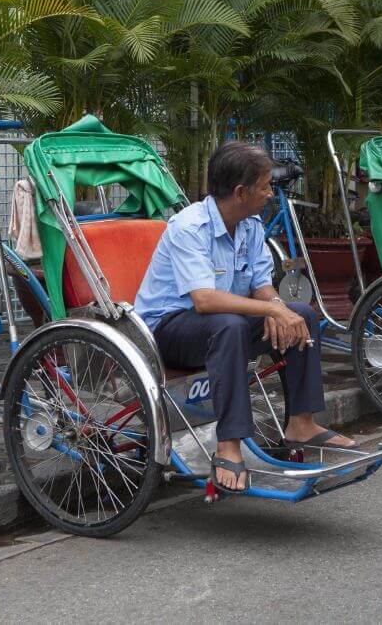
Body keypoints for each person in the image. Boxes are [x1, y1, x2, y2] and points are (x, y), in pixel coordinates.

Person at [134, 141, 356, 494]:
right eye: (265, 186)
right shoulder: (188, 227)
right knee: (232, 323)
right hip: (169, 330)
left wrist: (276, 306)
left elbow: (261, 285)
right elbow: (204, 300)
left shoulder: (250, 225)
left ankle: (301, 424)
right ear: (240, 192)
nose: (270, 193)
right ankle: (229, 444)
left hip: (224, 324)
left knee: (299, 313)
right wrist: (269, 309)